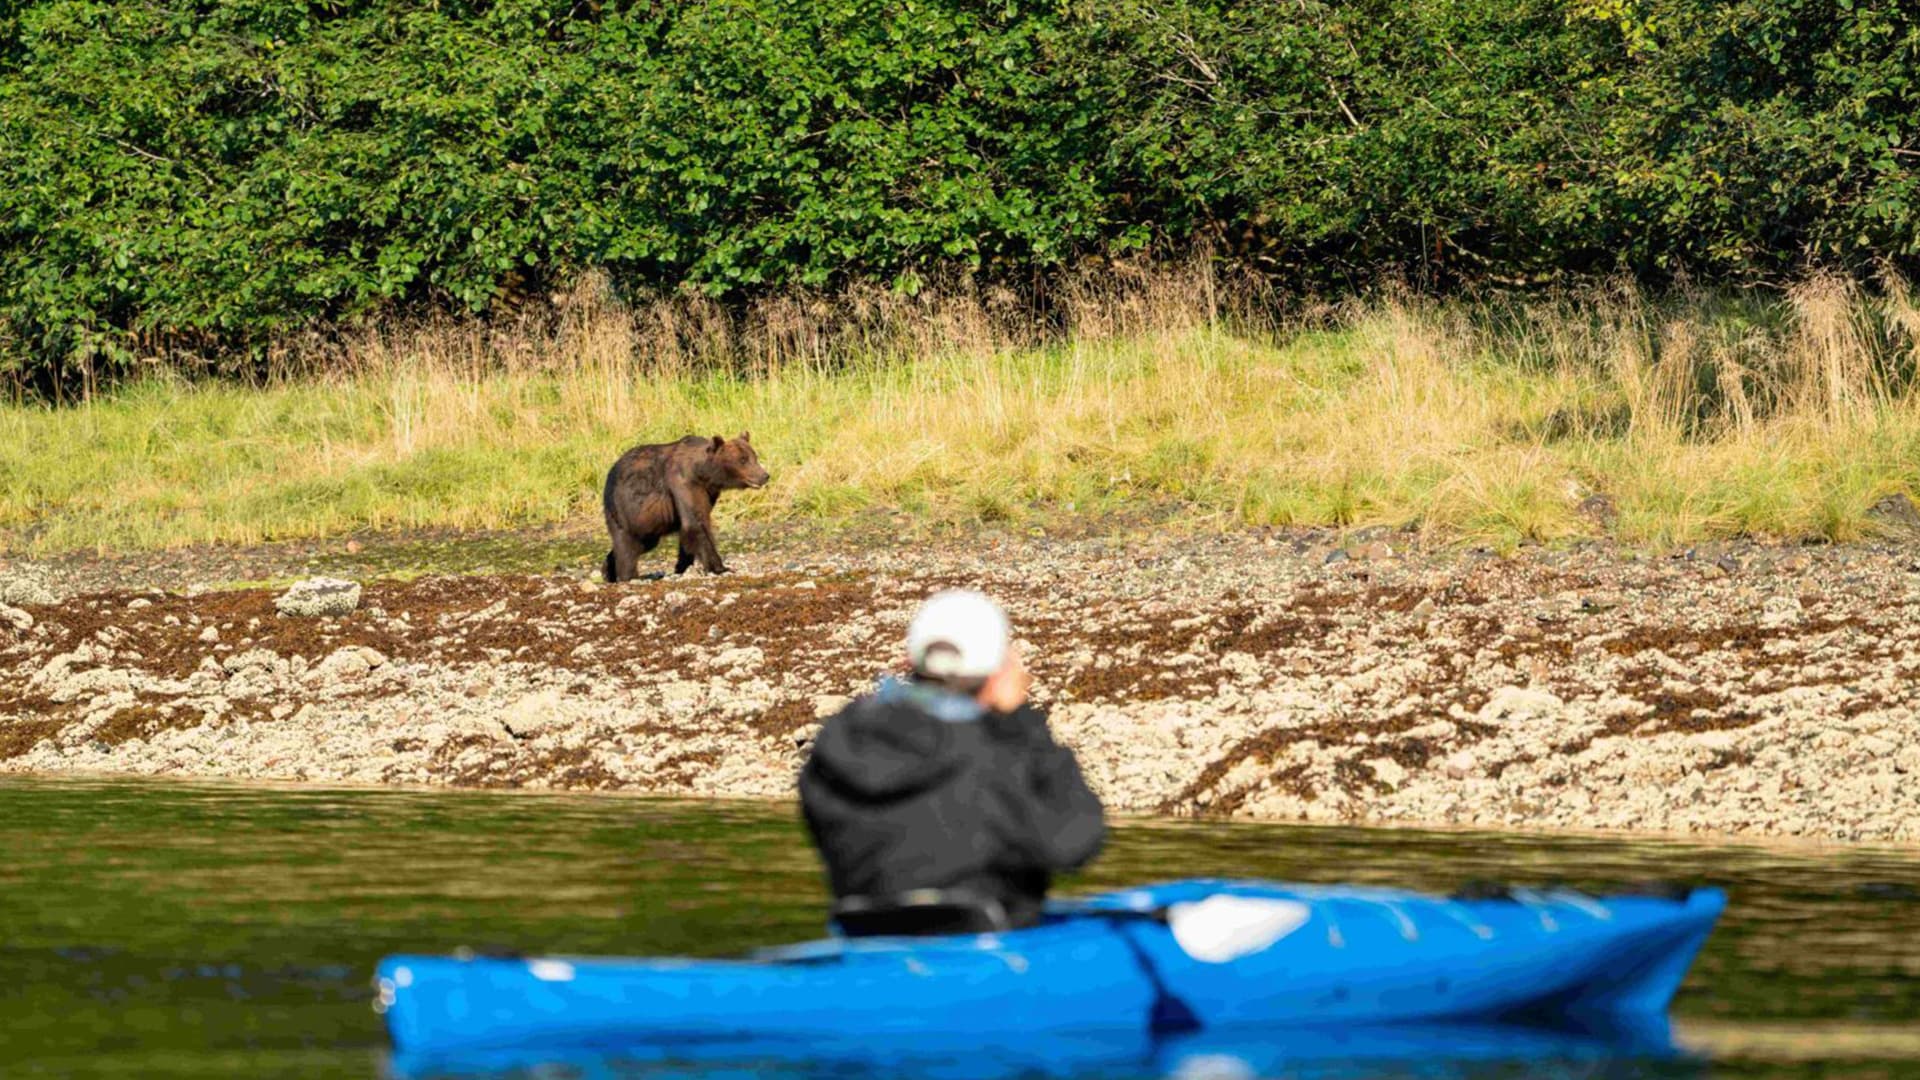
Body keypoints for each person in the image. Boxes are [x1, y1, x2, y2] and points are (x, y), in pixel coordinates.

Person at [798, 589, 1106, 934]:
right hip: (984, 946)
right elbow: (1075, 841)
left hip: (863, 939)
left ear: (910, 660)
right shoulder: (995, 754)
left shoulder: (838, 742)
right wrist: (1020, 722)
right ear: (997, 673)